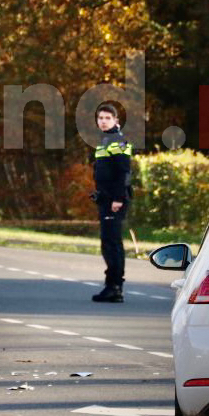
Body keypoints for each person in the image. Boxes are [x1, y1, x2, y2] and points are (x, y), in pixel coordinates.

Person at [90, 103, 132, 303]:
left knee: (112, 243)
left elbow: (124, 172)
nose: (103, 121)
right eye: (100, 118)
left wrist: (118, 198)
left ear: (116, 121)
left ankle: (115, 287)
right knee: (108, 243)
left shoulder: (117, 140)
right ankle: (111, 285)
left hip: (114, 201)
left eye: (107, 118)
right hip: (106, 199)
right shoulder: (105, 140)